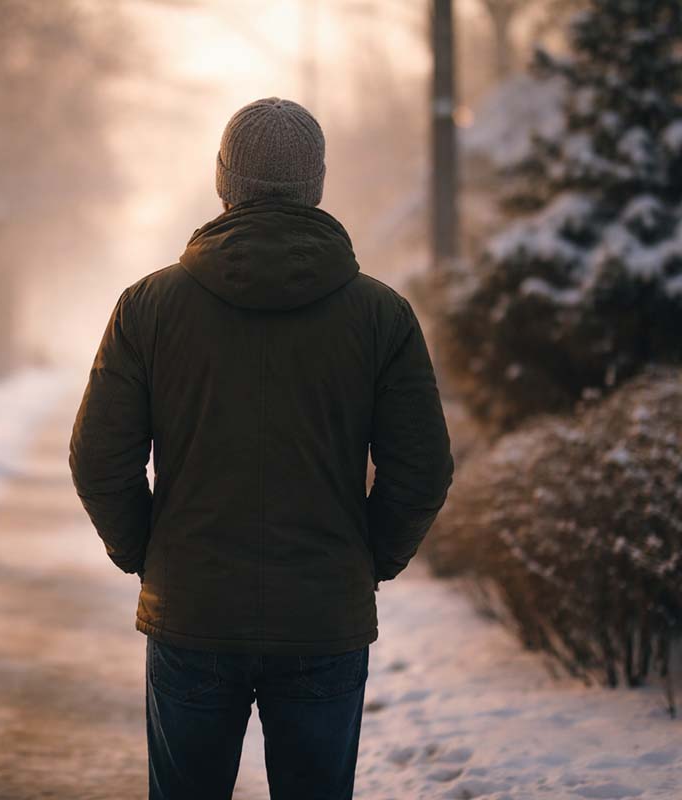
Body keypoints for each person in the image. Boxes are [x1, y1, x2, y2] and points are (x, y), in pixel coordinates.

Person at [68, 97, 454, 800]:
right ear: (317, 184)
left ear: (224, 180)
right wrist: (365, 560)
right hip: (323, 618)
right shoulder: (381, 316)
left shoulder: (148, 307)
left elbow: (99, 461)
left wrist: (152, 553)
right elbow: (422, 471)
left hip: (192, 609)